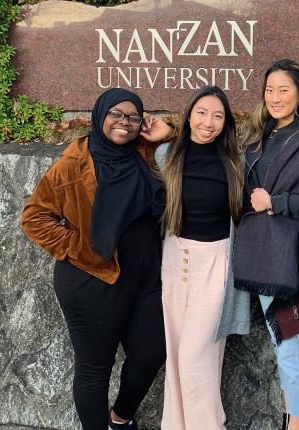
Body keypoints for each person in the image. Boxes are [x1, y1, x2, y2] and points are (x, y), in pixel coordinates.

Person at [21, 88, 171, 430]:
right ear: (100, 114)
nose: (125, 122)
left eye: (133, 117)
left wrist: (169, 132)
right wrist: (81, 245)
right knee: (95, 367)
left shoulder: (139, 153)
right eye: (116, 114)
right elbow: (34, 219)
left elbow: (168, 139)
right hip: (93, 279)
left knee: (151, 352)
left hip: (145, 278)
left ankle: (119, 419)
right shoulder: (73, 164)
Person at [216, 59, 299, 430]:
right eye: (269, 90)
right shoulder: (259, 137)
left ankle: (297, 423)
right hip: (261, 256)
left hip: (293, 255)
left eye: (283, 90)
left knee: (293, 345)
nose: (275, 98)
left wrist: (274, 202)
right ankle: (293, 414)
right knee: (282, 343)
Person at [151, 86, 243, 430]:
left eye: (218, 116)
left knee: (195, 358)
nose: (209, 122)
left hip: (215, 264)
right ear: (189, 114)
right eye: (202, 112)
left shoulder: (236, 161)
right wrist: (170, 134)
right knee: (175, 357)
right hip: (174, 260)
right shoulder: (166, 155)